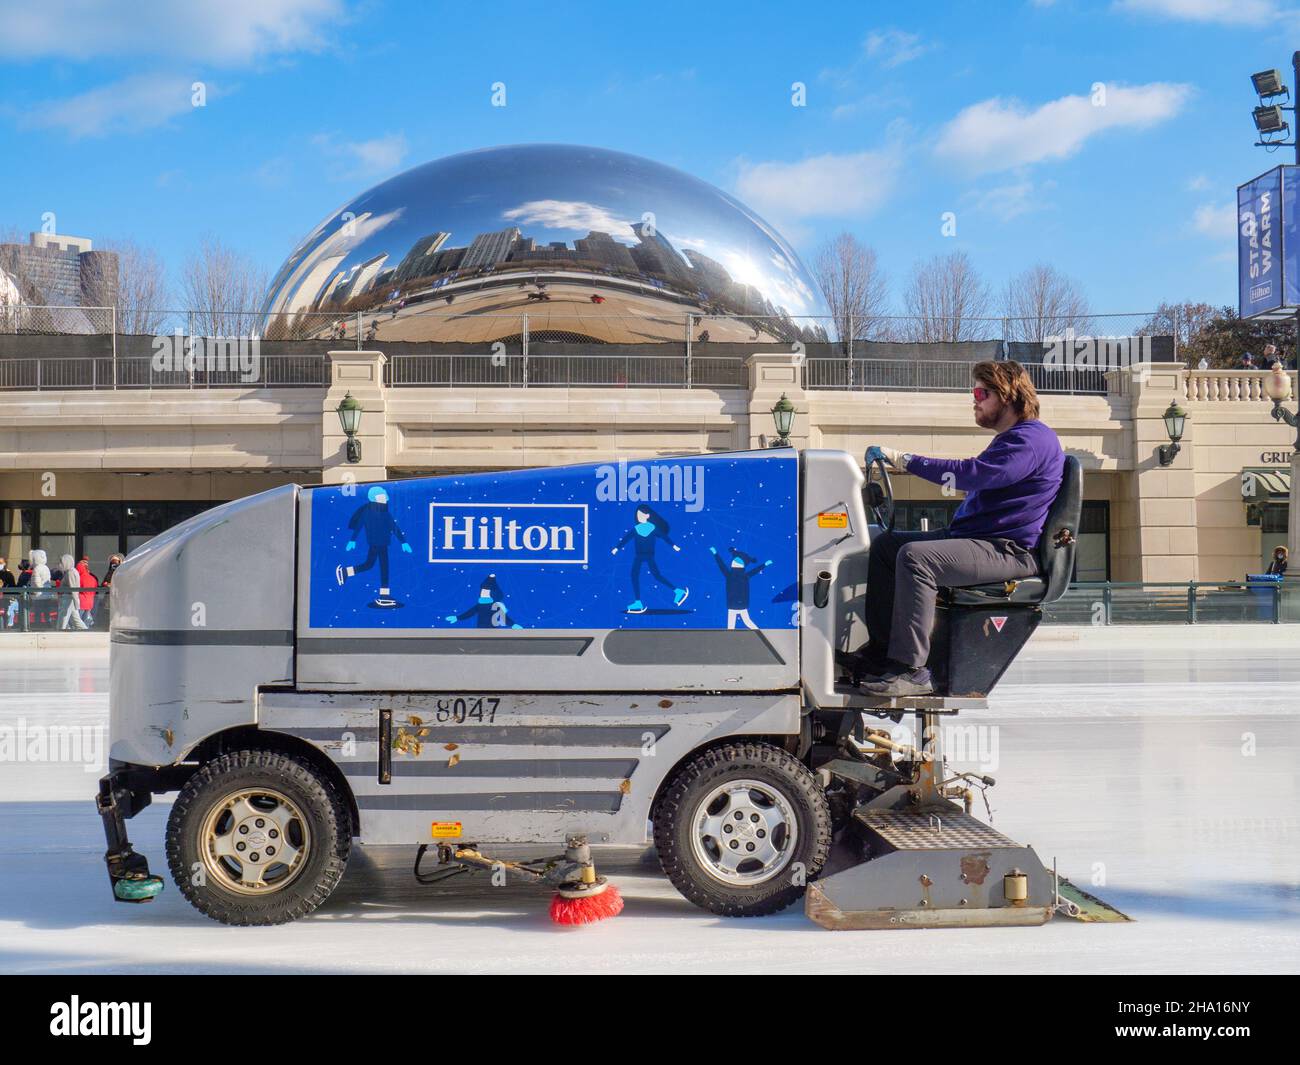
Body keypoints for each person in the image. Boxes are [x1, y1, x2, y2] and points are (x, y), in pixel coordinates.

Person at [850, 360, 1065, 696]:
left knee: (916, 558)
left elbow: (974, 474)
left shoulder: (1032, 439)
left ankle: (912, 669)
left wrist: (905, 459)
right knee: (885, 547)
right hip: (977, 539)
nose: (974, 400)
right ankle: (883, 654)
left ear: (1007, 395)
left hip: (1007, 549)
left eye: (981, 392)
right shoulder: (1013, 439)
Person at [611, 505, 688, 614]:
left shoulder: (653, 528)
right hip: (639, 555)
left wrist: (674, 546)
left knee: (657, 576)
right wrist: (617, 548)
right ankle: (638, 602)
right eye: (638, 515)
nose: (639, 517)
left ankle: (678, 591)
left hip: (649, 555)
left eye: (641, 514)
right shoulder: (636, 529)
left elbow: (664, 537)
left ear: (647, 515)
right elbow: (626, 539)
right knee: (634, 575)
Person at [710, 546, 771, 629]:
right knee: (745, 622)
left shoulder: (730, 575)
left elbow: (722, 565)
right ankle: (758, 633)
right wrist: (764, 565)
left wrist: (715, 554)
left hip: (735, 603)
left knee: (734, 625)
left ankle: (758, 633)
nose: (734, 563)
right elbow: (755, 571)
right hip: (740, 603)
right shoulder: (743, 576)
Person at [58, 553, 88, 630]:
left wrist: (76, 602)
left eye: (61, 562)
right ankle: (87, 632)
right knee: (76, 620)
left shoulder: (71, 572)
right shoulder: (69, 572)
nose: (60, 564)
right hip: (69, 598)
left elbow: (74, 589)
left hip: (69, 598)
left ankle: (60, 632)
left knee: (63, 617)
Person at [76, 557, 99, 627]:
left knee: (78, 621)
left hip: (81, 603)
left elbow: (75, 590)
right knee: (86, 621)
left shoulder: (79, 578)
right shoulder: (93, 578)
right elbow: (95, 591)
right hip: (90, 603)